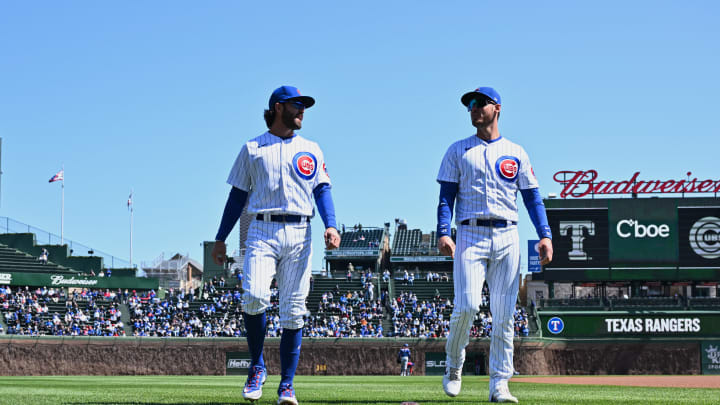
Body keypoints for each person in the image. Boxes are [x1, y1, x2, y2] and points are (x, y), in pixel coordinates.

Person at [211, 85, 341, 405]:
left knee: (293, 312)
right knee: (254, 296)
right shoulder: (253, 147)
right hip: (262, 229)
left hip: (300, 230)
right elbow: (237, 196)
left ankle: (287, 385)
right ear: (278, 107)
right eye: (297, 105)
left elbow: (322, 190)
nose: (302, 111)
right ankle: (257, 366)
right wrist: (220, 238)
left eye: (304, 106)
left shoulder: (311, 148)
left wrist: (332, 225)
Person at [436, 86, 553, 403]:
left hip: (507, 235)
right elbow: (446, 198)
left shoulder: (516, 152)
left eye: (479, 103)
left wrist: (545, 234)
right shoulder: (458, 150)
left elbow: (532, 198)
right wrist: (443, 232)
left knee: (503, 315)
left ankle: (500, 384)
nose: (472, 108)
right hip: (470, 234)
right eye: (469, 104)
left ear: (496, 108)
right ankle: (453, 364)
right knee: (467, 306)